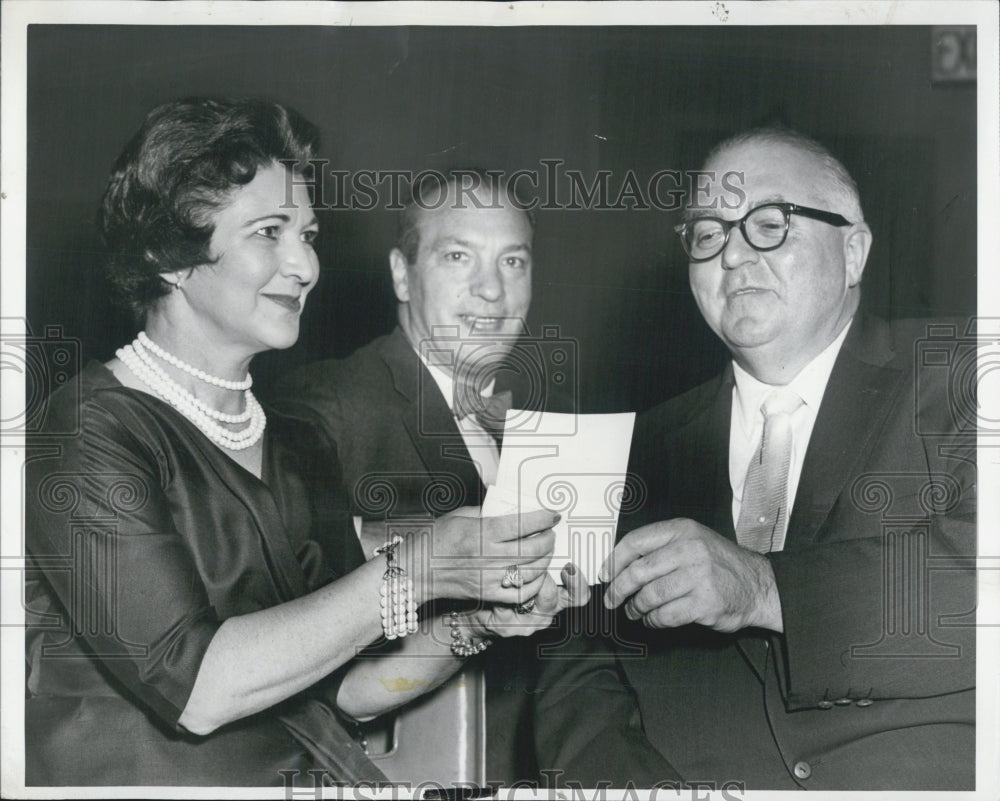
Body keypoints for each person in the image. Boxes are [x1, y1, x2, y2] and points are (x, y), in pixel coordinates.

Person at [23, 98, 587, 787]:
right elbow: (197, 688)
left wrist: (479, 624)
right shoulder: (88, 430)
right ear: (167, 254)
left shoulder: (288, 443)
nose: (305, 266)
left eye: (309, 234)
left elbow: (350, 688)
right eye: (269, 232)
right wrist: (415, 569)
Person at [534, 126, 976, 791]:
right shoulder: (616, 456)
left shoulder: (963, 376)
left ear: (853, 251)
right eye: (708, 235)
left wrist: (764, 588)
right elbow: (577, 693)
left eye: (769, 224)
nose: (733, 256)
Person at [273, 170, 573, 781]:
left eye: (513, 261)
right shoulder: (324, 406)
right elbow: (291, 653)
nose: (492, 290)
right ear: (401, 274)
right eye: (459, 256)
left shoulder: (538, 432)